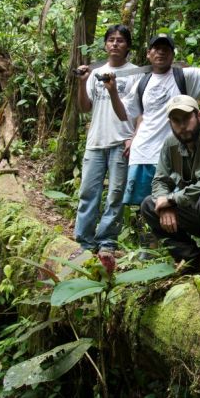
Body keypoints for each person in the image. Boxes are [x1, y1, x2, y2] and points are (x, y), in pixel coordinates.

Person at [122, 33, 200, 206]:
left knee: (173, 200)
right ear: (148, 53)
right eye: (157, 48)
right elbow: (133, 113)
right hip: (143, 151)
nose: (161, 53)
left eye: (166, 49)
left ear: (173, 54)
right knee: (145, 203)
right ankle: (144, 232)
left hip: (174, 151)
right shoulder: (142, 83)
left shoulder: (183, 76)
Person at [140, 95, 200, 273]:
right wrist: (164, 203)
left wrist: (172, 200)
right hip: (195, 210)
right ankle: (191, 258)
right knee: (149, 204)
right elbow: (160, 180)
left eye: (187, 119)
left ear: (199, 116)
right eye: (176, 121)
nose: (182, 125)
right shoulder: (171, 143)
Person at [70, 24, 139, 270]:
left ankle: (107, 242)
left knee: (116, 195)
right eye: (111, 40)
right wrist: (82, 82)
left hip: (122, 139)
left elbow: (136, 111)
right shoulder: (96, 71)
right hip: (95, 141)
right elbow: (85, 107)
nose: (115, 44)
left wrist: (134, 137)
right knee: (88, 193)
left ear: (128, 46)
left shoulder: (136, 73)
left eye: (120, 40)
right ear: (105, 44)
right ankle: (85, 243)